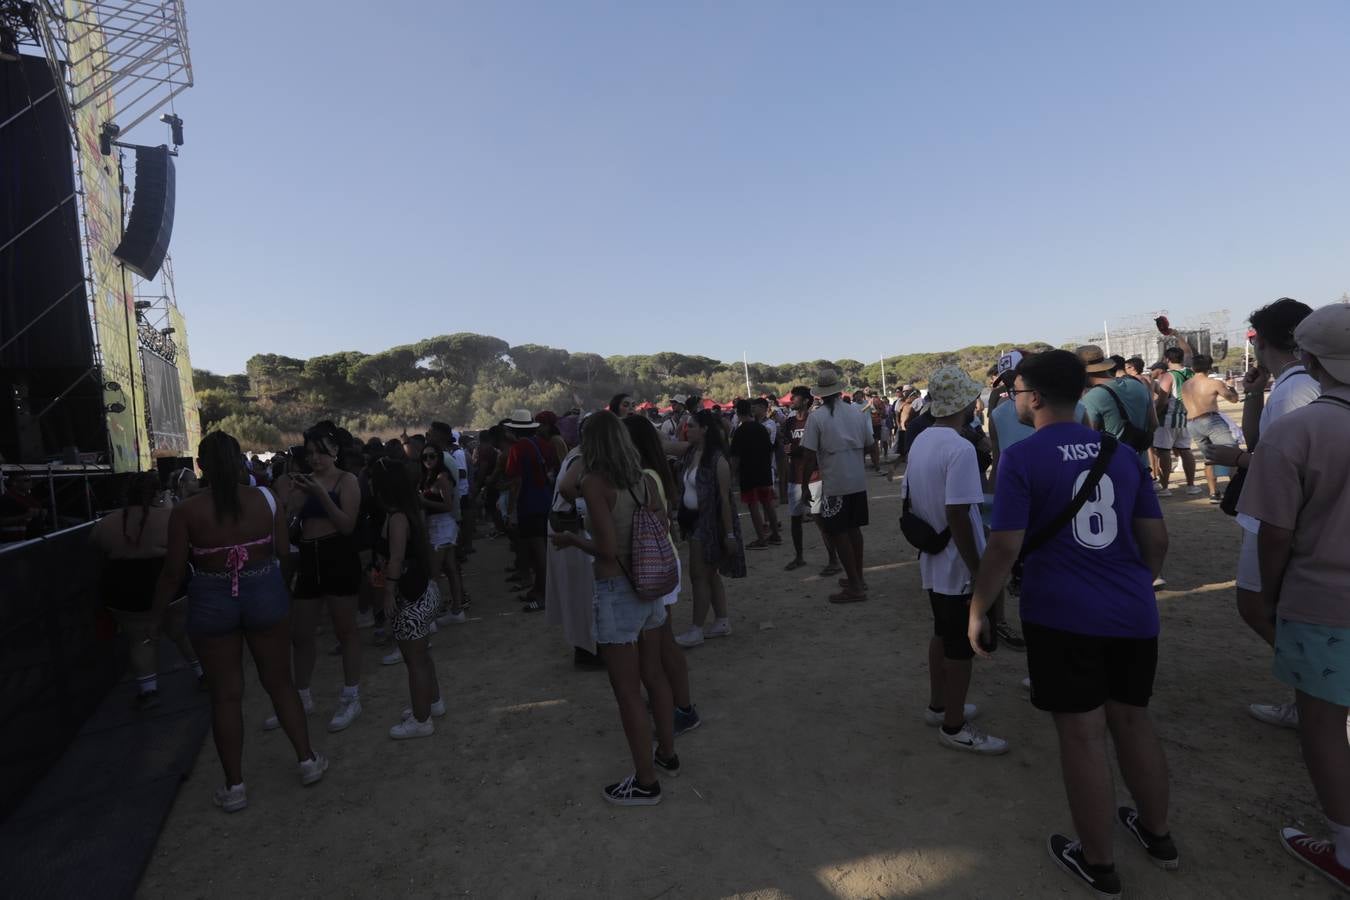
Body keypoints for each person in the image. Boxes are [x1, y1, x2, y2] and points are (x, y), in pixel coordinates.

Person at [968, 350, 1173, 898]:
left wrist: (978, 607)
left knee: (1082, 736)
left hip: (1062, 614)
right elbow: (1156, 541)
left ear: (1032, 396)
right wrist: (1129, 583)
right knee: (1134, 721)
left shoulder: (1022, 457)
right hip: (1131, 610)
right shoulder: (1123, 455)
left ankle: (1099, 862)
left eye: (1016, 391)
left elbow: (1004, 546)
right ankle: (1159, 834)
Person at [1237, 302, 1350, 891]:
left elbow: (1275, 532)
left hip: (1324, 598)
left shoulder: (1300, 429)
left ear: (1309, 357)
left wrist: (1269, 592)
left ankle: (1348, 849)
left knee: (1324, 725)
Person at [154, 431, 326, 812]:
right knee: (279, 682)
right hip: (264, 589)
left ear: (200, 466)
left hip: (212, 599)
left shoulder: (186, 512)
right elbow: (284, 553)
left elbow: (172, 572)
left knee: (226, 695)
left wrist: (157, 615)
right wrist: (275, 589)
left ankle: (235, 787)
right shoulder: (265, 500)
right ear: (240, 463)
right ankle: (308, 760)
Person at [1201, 299, 1319, 728]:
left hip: (1283, 514)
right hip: (1288, 511)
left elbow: (1288, 462)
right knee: (1273, 607)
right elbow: (1261, 439)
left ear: (1263, 340)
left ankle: (1318, 695)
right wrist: (1253, 393)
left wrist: (1238, 460)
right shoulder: (1293, 384)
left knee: (1258, 605)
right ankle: (1313, 693)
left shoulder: (1295, 389)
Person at [550, 411, 677, 805]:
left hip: (617, 589)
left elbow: (606, 549)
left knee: (626, 692)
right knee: (654, 675)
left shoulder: (595, 483)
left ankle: (645, 782)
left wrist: (572, 540)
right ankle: (667, 754)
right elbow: (660, 521)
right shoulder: (641, 478)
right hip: (650, 586)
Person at [903, 365, 1009, 755]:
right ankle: (954, 724)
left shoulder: (921, 440)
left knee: (941, 632)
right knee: (960, 646)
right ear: (966, 401)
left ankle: (940, 704)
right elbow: (960, 514)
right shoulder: (960, 447)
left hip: (932, 555)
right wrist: (979, 569)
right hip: (956, 561)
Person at [276, 421, 364, 733]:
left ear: (336, 451)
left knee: (346, 631)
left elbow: (347, 525)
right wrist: (290, 501)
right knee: (301, 634)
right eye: (310, 452)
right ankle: (302, 696)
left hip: (337, 555)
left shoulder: (347, 480)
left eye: (321, 452)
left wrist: (320, 494)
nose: (315, 458)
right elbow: (289, 524)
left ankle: (351, 695)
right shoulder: (305, 480)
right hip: (309, 558)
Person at [91, 471, 201, 708]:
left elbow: (96, 546)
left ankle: (148, 691)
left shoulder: (107, 523)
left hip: (123, 591)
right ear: (158, 493)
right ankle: (203, 674)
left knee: (140, 640)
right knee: (182, 632)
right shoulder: (169, 518)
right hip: (169, 585)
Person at [624, 414, 701, 735]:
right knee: (662, 640)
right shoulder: (652, 472)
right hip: (661, 560)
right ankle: (677, 704)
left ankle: (682, 708)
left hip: (654, 563)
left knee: (661, 643)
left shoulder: (644, 475)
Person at [368, 458, 444, 739]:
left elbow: (397, 558)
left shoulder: (397, 517)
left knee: (414, 661)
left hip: (410, 600)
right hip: (423, 593)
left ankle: (421, 718)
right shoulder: (408, 511)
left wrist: (387, 592)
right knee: (422, 657)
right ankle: (431, 703)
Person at [669, 409, 744, 647]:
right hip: (694, 521)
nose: (686, 429)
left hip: (709, 524)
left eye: (691, 426)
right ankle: (721, 621)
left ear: (704, 429)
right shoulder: (691, 452)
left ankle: (696, 629)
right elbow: (662, 446)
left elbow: (725, 500)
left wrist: (730, 534)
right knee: (710, 575)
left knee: (699, 575)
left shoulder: (717, 460)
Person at [801, 370, 873, 603]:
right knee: (854, 530)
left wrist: (804, 485)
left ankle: (855, 586)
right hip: (857, 480)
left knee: (839, 533)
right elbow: (870, 444)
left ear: (821, 394)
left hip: (834, 482)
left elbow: (809, 456)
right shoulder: (857, 412)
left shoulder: (817, 417)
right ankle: (858, 578)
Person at [547, 426, 604, 670]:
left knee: (578, 594)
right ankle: (588, 651)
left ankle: (586, 649)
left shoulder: (577, 454)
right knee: (583, 594)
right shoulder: (584, 457)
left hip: (566, 531)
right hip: (573, 532)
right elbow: (567, 489)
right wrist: (588, 507)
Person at [503, 408, 558, 612]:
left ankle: (544, 595)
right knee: (542, 547)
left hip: (528, 503)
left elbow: (515, 481)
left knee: (538, 551)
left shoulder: (518, 449)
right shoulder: (543, 444)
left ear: (514, 430)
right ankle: (538, 589)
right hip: (545, 500)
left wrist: (510, 511)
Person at [782, 386, 838, 574]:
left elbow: (815, 449)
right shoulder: (788, 422)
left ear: (806, 400)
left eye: (795, 397)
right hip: (794, 476)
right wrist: (787, 449)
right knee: (795, 519)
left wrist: (796, 450)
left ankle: (833, 560)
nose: (792, 400)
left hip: (814, 476)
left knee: (819, 518)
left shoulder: (814, 420)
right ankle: (799, 557)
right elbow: (786, 444)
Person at [1077, 344, 1157, 471]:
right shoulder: (1138, 385)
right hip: (1142, 465)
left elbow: (1089, 440)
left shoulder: (1092, 398)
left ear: (1081, 371)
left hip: (1115, 469)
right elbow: (1154, 424)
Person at [1180, 353, 1240, 502]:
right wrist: (1231, 387)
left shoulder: (1186, 384)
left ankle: (1213, 493)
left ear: (1193, 368)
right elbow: (1233, 399)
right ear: (1209, 367)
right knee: (1232, 452)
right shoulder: (1213, 383)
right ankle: (1235, 491)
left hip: (1192, 423)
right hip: (1210, 419)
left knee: (1209, 458)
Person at [418, 444, 465, 626]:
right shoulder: (429, 477)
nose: (428, 460)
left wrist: (424, 501)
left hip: (442, 526)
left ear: (439, 458)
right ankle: (456, 610)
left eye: (432, 456)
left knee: (434, 573)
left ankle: (431, 619)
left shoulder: (442, 478)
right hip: (438, 526)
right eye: (425, 457)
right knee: (450, 569)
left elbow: (448, 505)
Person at [729, 399, 781, 549]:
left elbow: (735, 457)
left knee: (753, 506)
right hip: (764, 471)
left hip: (748, 474)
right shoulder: (761, 428)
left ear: (738, 413)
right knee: (767, 503)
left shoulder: (740, 431)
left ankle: (761, 539)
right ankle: (775, 535)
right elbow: (771, 449)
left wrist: (732, 475)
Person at [1152, 339, 1201, 497]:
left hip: (1167, 419)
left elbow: (1162, 400)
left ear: (1167, 359)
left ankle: (1165, 487)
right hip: (1185, 418)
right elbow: (1189, 352)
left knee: (1164, 452)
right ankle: (1191, 485)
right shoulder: (1190, 372)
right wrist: (1177, 336)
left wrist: (1154, 414)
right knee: (1186, 451)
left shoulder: (1168, 376)